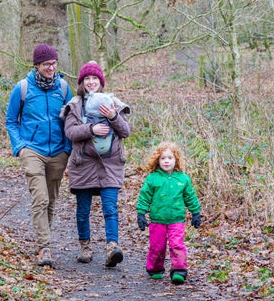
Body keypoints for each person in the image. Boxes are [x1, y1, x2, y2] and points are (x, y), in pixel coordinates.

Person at [5, 43, 72, 267]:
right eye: (46, 64)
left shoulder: (62, 88)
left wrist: (67, 149)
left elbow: (73, 118)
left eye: (53, 64)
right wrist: (20, 147)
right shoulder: (22, 88)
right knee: (40, 198)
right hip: (32, 150)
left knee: (51, 201)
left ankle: (44, 241)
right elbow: (11, 121)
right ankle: (44, 247)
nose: (51, 68)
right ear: (36, 65)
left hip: (58, 153)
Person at [62, 61, 131, 267]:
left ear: (101, 82)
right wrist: (91, 129)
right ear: (82, 82)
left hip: (110, 165)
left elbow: (125, 132)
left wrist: (113, 116)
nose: (91, 82)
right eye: (87, 79)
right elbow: (71, 132)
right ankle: (85, 246)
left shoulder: (113, 103)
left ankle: (112, 247)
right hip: (83, 165)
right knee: (83, 210)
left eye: (95, 79)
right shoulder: (74, 105)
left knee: (110, 207)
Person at [136, 141, 202, 284]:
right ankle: (155, 269)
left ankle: (179, 270)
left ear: (176, 160)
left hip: (176, 219)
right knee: (157, 246)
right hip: (157, 219)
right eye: (163, 158)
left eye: (170, 158)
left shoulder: (183, 179)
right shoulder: (153, 178)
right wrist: (141, 213)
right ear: (157, 160)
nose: (166, 161)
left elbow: (190, 196)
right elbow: (145, 196)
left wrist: (195, 212)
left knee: (177, 244)